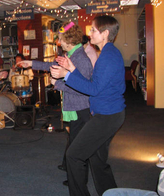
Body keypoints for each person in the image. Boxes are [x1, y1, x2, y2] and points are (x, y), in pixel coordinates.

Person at [50, 15, 126, 196]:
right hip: (108, 113)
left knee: (74, 155)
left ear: (105, 33)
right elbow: (96, 83)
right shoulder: (107, 53)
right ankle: (110, 193)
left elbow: (92, 88)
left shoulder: (108, 56)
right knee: (97, 159)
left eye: (93, 30)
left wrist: (67, 75)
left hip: (107, 116)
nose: (89, 32)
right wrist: (72, 69)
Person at [18, 22, 93, 185]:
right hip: (76, 109)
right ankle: (74, 176)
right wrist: (31, 63)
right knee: (74, 145)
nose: (59, 42)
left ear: (68, 39)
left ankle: (78, 182)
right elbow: (52, 66)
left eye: (60, 39)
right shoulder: (74, 54)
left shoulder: (80, 58)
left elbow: (84, 89)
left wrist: (57, 84)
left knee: (78, 150)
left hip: (81, 110)